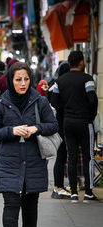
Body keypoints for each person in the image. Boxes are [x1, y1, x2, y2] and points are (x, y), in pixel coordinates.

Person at [0, 62, 58, 227]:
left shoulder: (39, 101)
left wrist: (36, 129)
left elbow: (53, 125)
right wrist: (12, 131)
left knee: (30, 207)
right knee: (10, 203)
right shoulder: (1, 103)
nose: (23, 83)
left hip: (34, 161)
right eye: (18, 79)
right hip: (9, 162)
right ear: (10, 80)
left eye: (26, 79)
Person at [51, 51, 99, 203]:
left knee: (71, 157)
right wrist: (89, 116)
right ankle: (88, 192)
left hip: (67, 123)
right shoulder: (87, 79)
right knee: (88, 157)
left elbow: (54, 101)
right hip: (84, 122)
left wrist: (65, 110)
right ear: (81, 62)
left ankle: (72, 193)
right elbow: (92, 100)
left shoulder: (60, 81)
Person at [48, 62, 71, 199]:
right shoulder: (64, 84)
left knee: (61, 156)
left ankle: (59, 186)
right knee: (67, 155)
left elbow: (52, 101)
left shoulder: (55, 84)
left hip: (59, 123)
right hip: (67, 121)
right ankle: (63, 187)